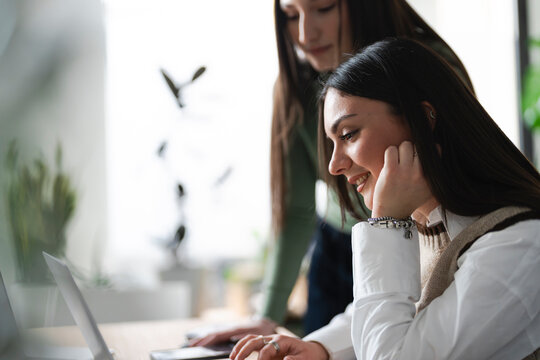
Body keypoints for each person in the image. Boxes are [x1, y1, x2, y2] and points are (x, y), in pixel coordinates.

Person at [228, 37, 540, 360]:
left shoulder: (518, 244)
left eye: (348, 135)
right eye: (332, 143)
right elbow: (393, 311)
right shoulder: (429, 223)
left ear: (425, 119)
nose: (334, 165)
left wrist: (387, 223)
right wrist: (320, 348)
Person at [191, 0, 473, 346]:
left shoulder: (426, 66)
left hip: (426, 243)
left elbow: (467, 165)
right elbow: (295, 210)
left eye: (324, 7)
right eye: (291, 15)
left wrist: (390, 225)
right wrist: (269, 315)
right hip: (338, 249)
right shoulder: (294, 85)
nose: (306, 34)